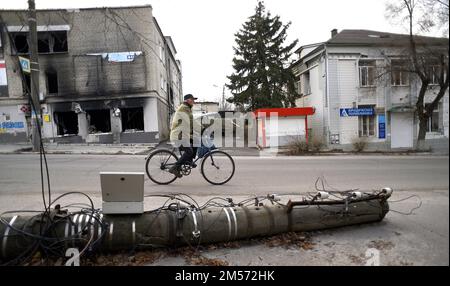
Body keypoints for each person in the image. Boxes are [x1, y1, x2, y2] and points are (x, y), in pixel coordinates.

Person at [168, 94, 201, 177]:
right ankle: (174, 167)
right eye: (192, 99)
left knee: (196, 140)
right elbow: (190, 122)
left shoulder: (187, 109)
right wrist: (203, 128)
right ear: (187, 100)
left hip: (183, 135)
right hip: (178, 136)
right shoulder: (183, 108)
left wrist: (197, 131)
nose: (193, 101)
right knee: (189, 151)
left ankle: (188, 161)